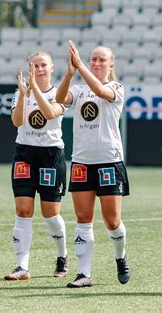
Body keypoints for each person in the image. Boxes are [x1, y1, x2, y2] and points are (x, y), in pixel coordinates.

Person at [56, 41, 130, 288]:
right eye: (93, 60)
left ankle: (120, 258)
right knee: (83, 218)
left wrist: (80, 68)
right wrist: (68, 73)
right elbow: (59, 99)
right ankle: (84, 273)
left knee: (112, 221)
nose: (97, 63)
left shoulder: (116, 87)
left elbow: (100, 91)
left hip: (109, 161)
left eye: (102, 60)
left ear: (111, 64)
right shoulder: (78, 89)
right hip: (82, 162)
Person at [5, 51, 69, 281]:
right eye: (35, 66)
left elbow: (50, 113)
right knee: (23, 210)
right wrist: (24, 95)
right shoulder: (19, 92)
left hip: (51, 156)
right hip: (24, 153)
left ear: (52, 68)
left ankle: (62, 256)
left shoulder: (61, 93)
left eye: (43, 65)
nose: (39, 69)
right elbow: (17, 121)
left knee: (50, 213)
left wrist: (35, 90)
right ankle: (22, 267)